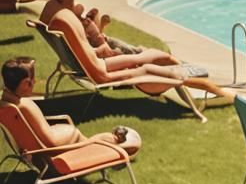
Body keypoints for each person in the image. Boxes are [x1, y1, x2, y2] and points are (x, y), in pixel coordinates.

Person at [46, 7, 234, 110]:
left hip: (111, 67)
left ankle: (188, 74)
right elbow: (103, 68)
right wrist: (108, 52)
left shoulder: (75, 46)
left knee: (154, 58)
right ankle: (223, 95)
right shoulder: (81, 48)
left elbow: (96, 57)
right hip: (114, 70)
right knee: (171, 72)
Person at [1, 56, 141, 155]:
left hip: (38, 150)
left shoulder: (6, 103)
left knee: (83, 138)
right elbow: (50, 143)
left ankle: (111, 143)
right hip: (49, 151)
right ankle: (115, 142)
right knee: (91, 141)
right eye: (32, 79)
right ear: (26, 83)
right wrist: (71, 132)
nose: (35, 81)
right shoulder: (25, 106)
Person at [41, 0, 143, 57]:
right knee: (133, 53)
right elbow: (80, 43)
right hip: (95, 51)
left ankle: (140, 52)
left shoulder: (59, 6)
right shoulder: (60, 15)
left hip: (97, 43)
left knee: (135, 50)